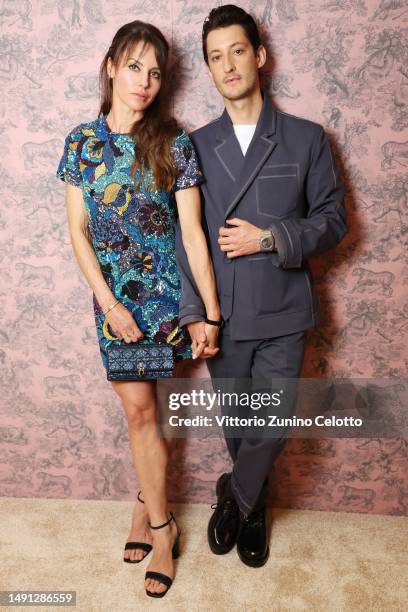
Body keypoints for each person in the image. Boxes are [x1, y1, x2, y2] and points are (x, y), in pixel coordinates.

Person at [176, 5, 348, 568]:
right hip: (222, 313)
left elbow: (332, 221)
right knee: (240, 428)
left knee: (269, 426)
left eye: (237, 51)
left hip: (283, 311)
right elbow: (186, 239)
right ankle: (253, 506)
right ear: (208, 68)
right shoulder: (194, 146)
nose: (228, 65)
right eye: (215, 57)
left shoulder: (304, 138)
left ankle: (239, 497)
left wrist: (270, 238)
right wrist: (194, 314)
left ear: (260, 56)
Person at [56, 20, 221, 598]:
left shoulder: (175, 143)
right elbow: (77, 231)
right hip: (114, 305)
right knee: (141, 415)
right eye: (134, 67)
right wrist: (108, 305)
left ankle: (146, 514)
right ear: (110, 67)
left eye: (155, 71)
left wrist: (211, 314)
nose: (146, 81)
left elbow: (194, 236)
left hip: (166, 304)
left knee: (153, 417)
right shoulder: (80, 142)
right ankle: (162, 524)